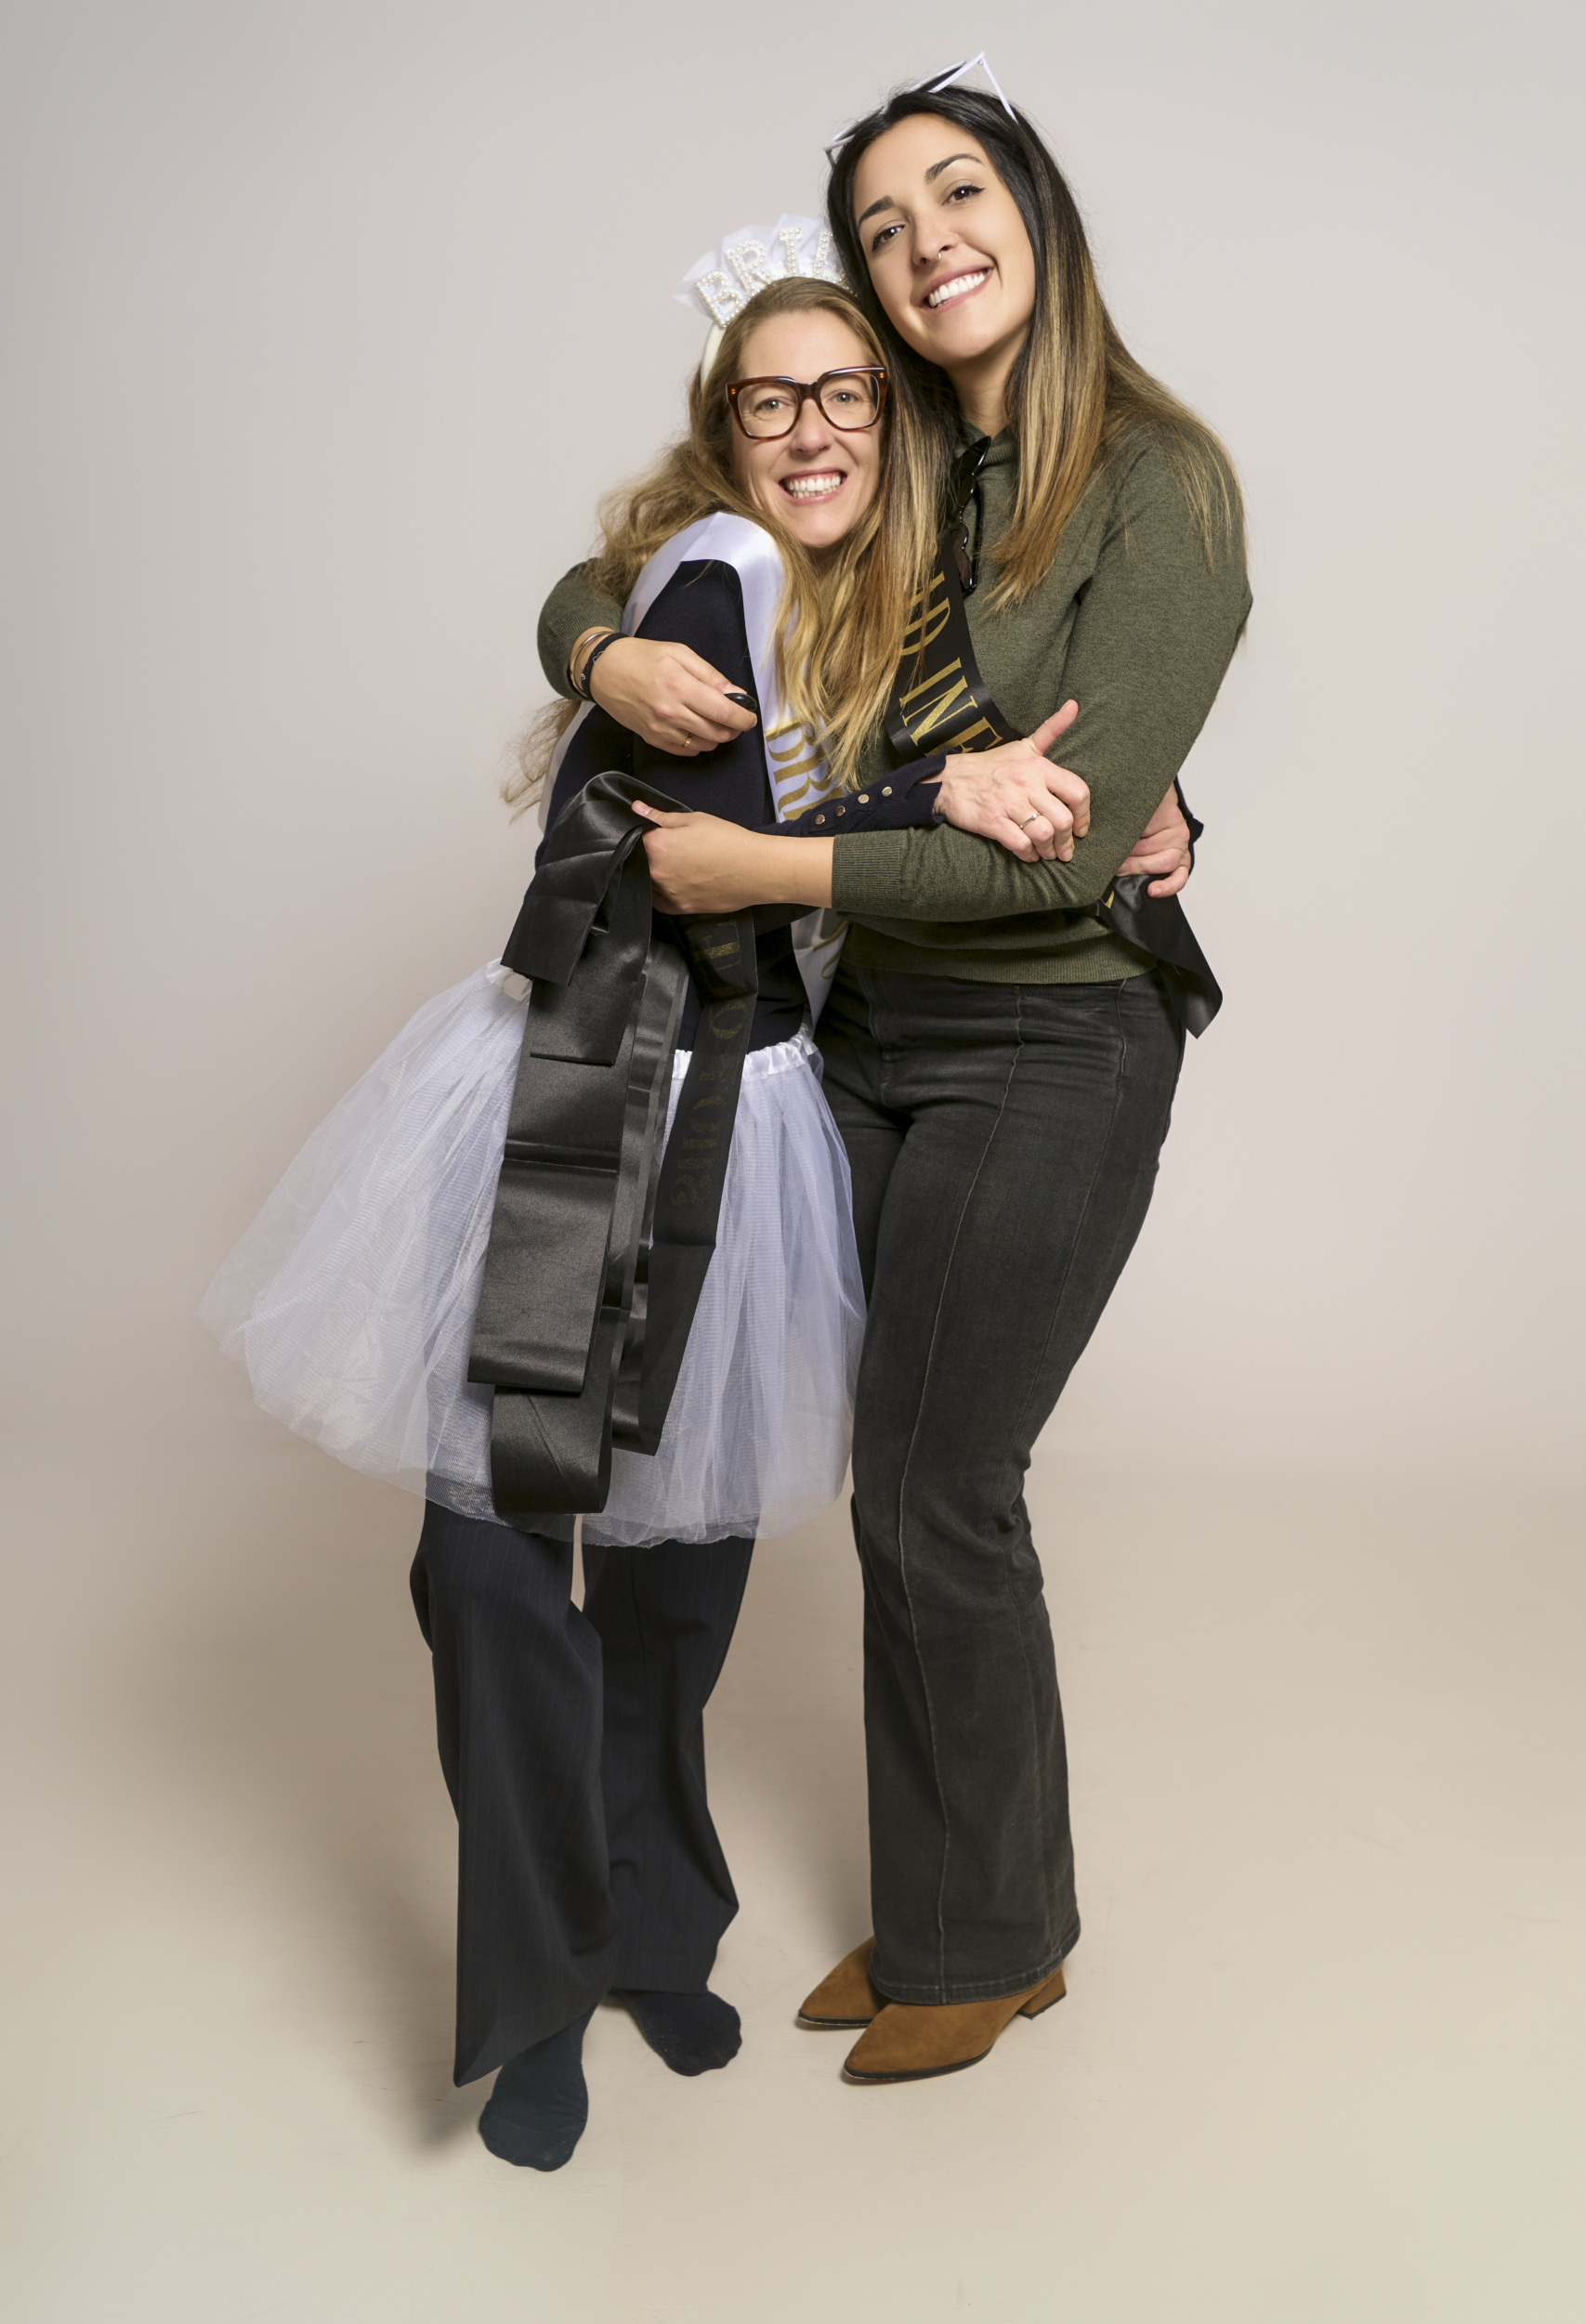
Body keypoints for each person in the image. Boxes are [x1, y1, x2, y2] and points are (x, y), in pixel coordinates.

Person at [201, 257, 1118, 2168]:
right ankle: (533, 1987)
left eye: (843, 395)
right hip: (578, 1104)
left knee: (679, 1565)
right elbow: (670, 847)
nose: (806, 429)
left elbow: (882, 795)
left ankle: (646, 1924)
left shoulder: (886, 609)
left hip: (754, 1108)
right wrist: (607, 648)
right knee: (495, 1562)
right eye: (769, 397)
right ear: (726, 429)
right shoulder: (710, 569)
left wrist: (1060, 794)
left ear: (893, 423)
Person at [537, 65, 1250, 2084]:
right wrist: (599, 652)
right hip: (867, 1031)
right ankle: (968, 1906)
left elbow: (1049, 828)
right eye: (875, 223)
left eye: (955, 192)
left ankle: (986, 1936)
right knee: (892, 1475)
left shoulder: (1158, 481)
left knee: (946, 1476)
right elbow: (628, 560)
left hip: (1051, 1031)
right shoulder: (904, 431)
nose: (921, 239)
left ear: (1030, 208)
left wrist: (771, 860)